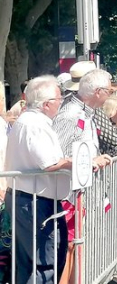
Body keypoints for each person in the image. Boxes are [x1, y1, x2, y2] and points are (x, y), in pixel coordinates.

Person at [3, 76, 79, 284]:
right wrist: (80, 161)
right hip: (36, 202)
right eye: (59, 98)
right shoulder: (35, 124)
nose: (61, 102)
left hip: (31, 199)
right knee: (45, 263)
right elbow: (50, 163)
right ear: (46, 104)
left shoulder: (30, 121)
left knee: (31, 263)